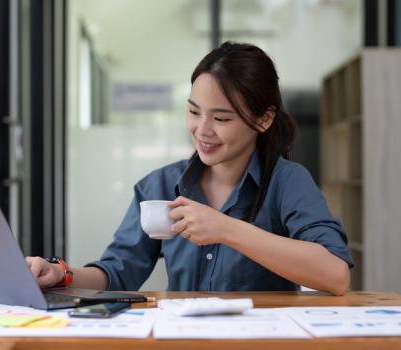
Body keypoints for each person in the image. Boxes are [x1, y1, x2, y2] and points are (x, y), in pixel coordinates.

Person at [26, 42, 353, 295]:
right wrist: (62, 274)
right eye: (194, 112)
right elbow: (118, 271)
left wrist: (225, 229)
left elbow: (335, 275)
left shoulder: (288, 182)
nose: (202, 129)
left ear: (264, 119)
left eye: (222, 118)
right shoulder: (159, 185)